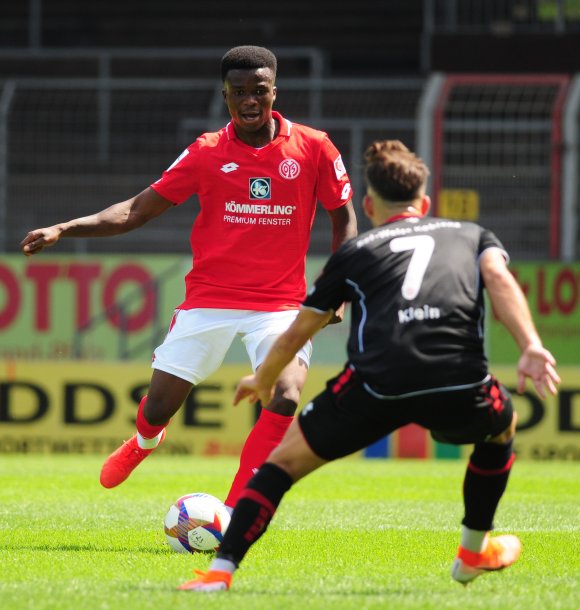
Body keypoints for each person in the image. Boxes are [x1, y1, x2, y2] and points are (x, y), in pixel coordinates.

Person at [178, 139, 561, 592]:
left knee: (279, 467)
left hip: (376, 384)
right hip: (456, 376)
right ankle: (473, 549)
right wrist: (531, 345)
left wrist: (262, 377)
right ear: (426, 202)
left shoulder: (355, 254)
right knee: (502, 428)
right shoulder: (470, 233)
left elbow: (301, 328)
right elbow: (498, 278)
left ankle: (219, 575)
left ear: (368, 204)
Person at [19, 45, 357, 510]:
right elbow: (136, 211)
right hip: (210, 300)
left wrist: (334, 292)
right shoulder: (206, 152)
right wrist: (64, 227)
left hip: (280, 306)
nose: (250, 100)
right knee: (158, 407)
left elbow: (344, 219)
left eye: (259, 90)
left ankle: (241, 507)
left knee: (285, 392)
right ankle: (143, 441)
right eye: (239, 92)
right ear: (225, 96)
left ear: (274, 91)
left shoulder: (314, 147)